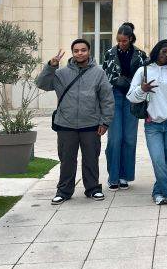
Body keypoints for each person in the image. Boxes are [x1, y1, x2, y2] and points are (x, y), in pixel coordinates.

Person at [36, 39, 114, 204]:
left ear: (89, 51)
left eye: (83, 50)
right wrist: (51, 65)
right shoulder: (61, 73)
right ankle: (63, 191)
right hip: (66, 124)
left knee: (91, 158)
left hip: (91, 124)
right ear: (72, 53)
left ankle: (93, 189)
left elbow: (107, 99)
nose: (80, 53)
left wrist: (105, 122)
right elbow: (42, 84)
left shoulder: (99, 73)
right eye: (76, 50)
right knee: (66, 159)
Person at [127, 40, 167, 207]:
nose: (165, 55)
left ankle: (157, 192)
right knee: (158, 159)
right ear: (156, 51)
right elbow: (131, 96)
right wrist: (142, 89)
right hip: (153, 124)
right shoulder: (143, 70)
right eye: (163, 51)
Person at [102, 23, 147, 190]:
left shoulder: (141, 55)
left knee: (129, 138)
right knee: (115, 138)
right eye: (119, 40)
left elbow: (145, 76)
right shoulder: (109, 53)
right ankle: (113, 176)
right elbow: (105, 76)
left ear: (130, 39)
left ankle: (124, 176)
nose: (121, 43)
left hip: (133, 97)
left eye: (124, 40)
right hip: (114, 96)